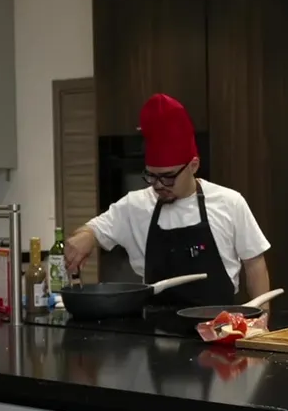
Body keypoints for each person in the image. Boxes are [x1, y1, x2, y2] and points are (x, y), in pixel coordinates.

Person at [64, 93, 271, 307]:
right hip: (156, 325)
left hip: (219, 323)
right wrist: (84, 237)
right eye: (151, 176)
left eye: (168, 177)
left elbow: (255, 265)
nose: (159, 185)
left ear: (193, 166)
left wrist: (263, 319)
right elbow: (93, 231)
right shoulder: (134, 206)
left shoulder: (229, 202)